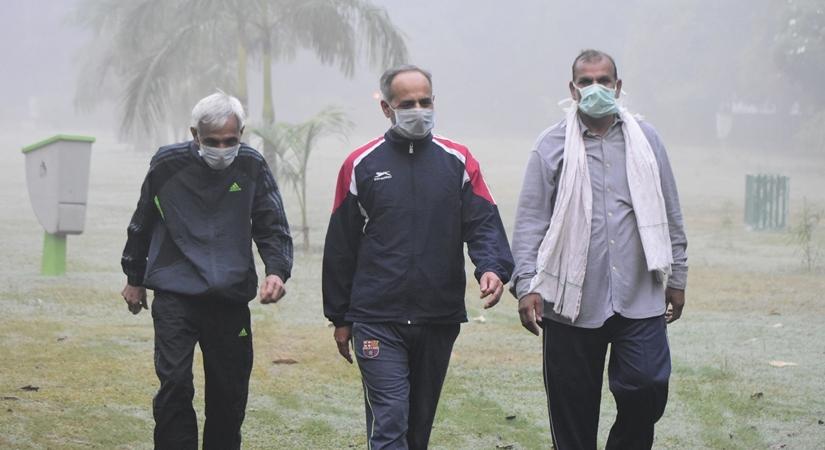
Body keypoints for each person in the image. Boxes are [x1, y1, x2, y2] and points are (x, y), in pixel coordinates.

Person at [322, 64, 514, 449]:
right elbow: (341, 247)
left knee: (417, 429)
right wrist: (340, 318)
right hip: (377, 316)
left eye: (425, 101)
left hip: (438, 316)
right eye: (407, 103)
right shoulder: (360, 165)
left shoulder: (458, 160)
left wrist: (491, 267)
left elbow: (482, 223)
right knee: (390, 422)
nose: (418, 109)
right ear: (387, 109)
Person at [510, 49, 688, 449]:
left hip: (639, 296)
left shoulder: (647, 141)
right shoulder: (550, 145)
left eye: (603, 81)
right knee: (572, 412)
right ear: (572, 90)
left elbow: (670, 211)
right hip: (570, 303)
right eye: (586, 82)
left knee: (648, 385)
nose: (595, 89)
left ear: (618, 87)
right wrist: (526, 285)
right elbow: (530, 223)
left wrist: (677, 276)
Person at [120, 92, 293, 449]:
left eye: (231, 140)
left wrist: (276, 270)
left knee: (229, 394)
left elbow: (271, 222)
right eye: (212, 141)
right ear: (194, 134)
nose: (222, 148)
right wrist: (134, 278)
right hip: (175, 296)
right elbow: (142, 220)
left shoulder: (251, 165)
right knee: (175, 385)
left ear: (242, 133)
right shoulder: (166, 164)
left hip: (230, 299)